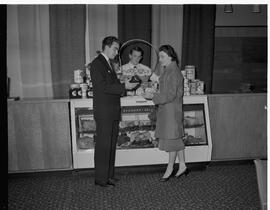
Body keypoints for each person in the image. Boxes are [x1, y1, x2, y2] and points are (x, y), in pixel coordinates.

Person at [90, 36, 138, 187]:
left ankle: (108, 175)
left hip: (111, 111)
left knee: (110, 145)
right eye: (115, 49)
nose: (117, 52)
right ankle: (100, 178)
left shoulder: (108, 64)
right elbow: (102, 87)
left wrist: (125, 83)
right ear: (106, 47)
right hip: (104, 112)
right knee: (103, 146)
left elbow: (112, 85)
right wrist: (124, 87)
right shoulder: (97, 63)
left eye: (117, 49)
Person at [142, 45, 188, 182]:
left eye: (162, 57)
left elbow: (170, 95)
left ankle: (170, 168)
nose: (160, 60)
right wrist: (155, 94)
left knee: (171, 140)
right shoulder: (170, 70)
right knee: (175, 138)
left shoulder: (173, 72)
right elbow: (168, 92)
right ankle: (182, 165)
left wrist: (153, 97)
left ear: (170, 56)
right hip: (170, 110)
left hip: (170, 111)